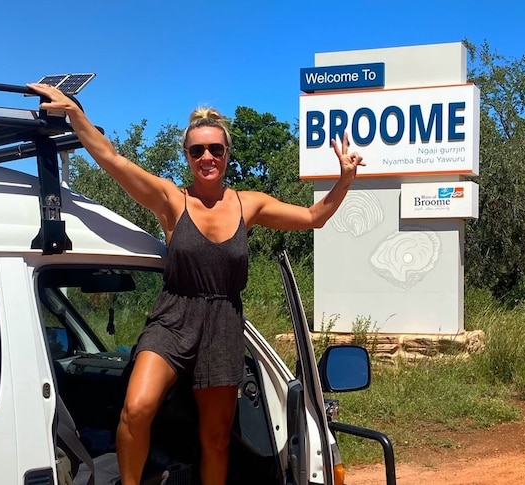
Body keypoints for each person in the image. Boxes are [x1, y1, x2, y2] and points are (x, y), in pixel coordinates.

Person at [27, 82, 364, 485]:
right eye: (197, 150)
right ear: (187, 157)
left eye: (215, 149)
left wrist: (344, 178)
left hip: (222, 324)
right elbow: (114, 160)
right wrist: (75, 114)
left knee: (217, 437)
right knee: (136, 408)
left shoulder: (248, 203)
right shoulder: (172, 200)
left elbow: (314, 217)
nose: (207, 157)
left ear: (226, 155)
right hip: (173, 317)